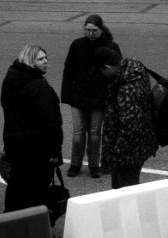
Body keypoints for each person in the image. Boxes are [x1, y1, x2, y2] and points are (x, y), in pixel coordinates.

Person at [0, 44, 63, 214]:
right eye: (41, 59)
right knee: (37, 191)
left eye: (46, 58)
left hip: (15, 143)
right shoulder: (39, 87)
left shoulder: (10, 80)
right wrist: (55, 153)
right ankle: (36, 229)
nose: (46, 62)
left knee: (16, 186)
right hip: (38, 149)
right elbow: (51, 123)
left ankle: (11, 222)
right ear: (31, 61)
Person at [61, 14, 121, 178]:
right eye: (87, 30)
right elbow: (69, 70)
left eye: (94, 30)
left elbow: (117, 73)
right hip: (78, 97)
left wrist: (113, 98)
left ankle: (94, 165)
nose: (90, 33)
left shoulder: (112, 46)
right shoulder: (77, 45)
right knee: (78, 134)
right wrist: (66, 95)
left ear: (101, 30)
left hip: (100, 99)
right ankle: (75, 164)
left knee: (95, 134)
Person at [93, 47, 159, 189]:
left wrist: (117, 153)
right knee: (127, 188)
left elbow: (131, 125)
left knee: (125, 191)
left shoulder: (126, 89)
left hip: (128, 155)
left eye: (102, 71)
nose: (103, 76)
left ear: (107, 67)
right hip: (138, 148)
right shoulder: (133, 71)